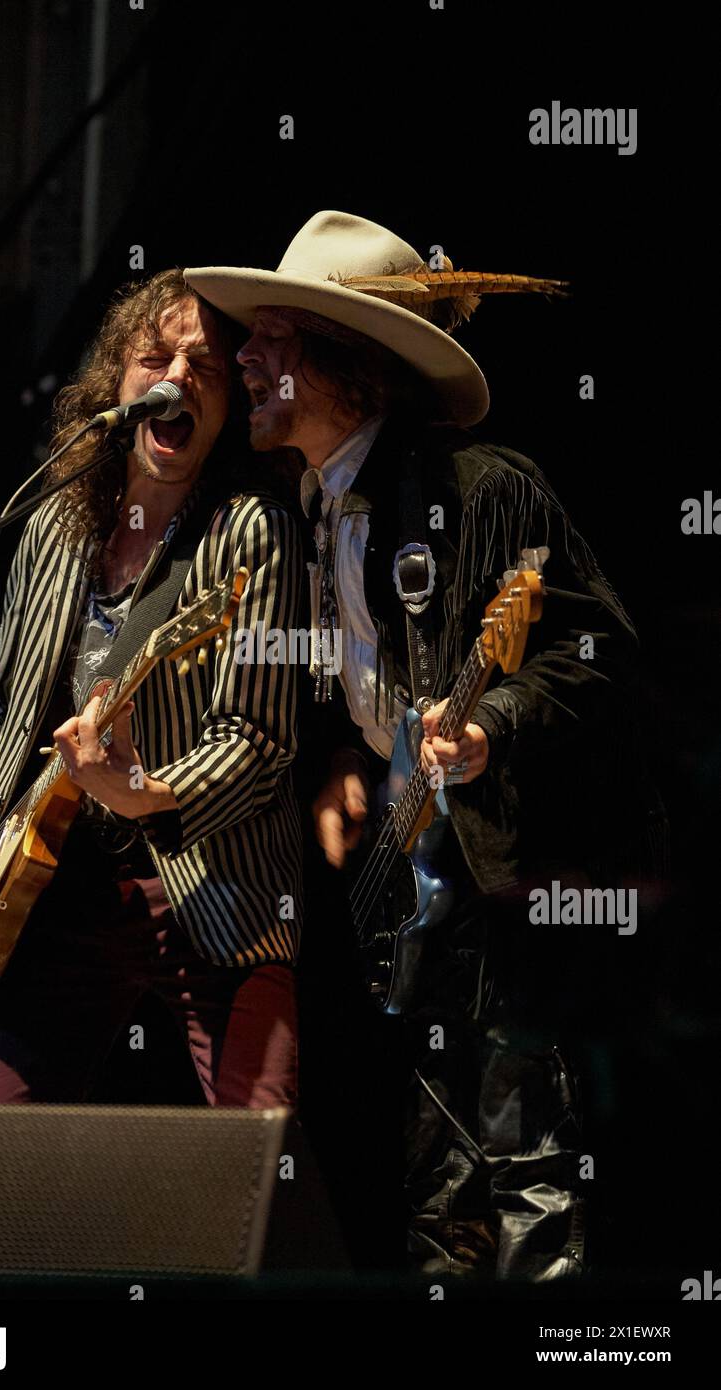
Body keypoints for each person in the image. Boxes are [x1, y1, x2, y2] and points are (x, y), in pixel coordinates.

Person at [185, 211, 668, 1278]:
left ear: (350, 365)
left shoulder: (483, 486)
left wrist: (490, 725)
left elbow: (601, 652)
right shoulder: (310, 504)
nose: (244, 357)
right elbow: (357, 690)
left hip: (511, 877)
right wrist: (342, 767)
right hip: (417, 884)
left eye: (275, 336)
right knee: (435, 1178)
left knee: (523, 1164)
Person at [0, 269, 304, 1110]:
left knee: (261, 1155)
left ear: (229, 401)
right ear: (114, 384)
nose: (175, 380)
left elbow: (259, 740)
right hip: (57, 877)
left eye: (203, 368)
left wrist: (142, 791)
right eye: (154, 358)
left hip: (210, 882)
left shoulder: (251, 531)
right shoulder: (57, 521)